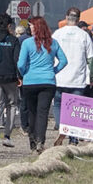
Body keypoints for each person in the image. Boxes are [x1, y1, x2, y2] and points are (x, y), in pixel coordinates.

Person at [15, 16, 67, 152]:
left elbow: (20, 64)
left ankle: (32, 140)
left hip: (30, 81)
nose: (30, 28)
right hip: (48, 81)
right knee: (42, 113)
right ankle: (40, 141)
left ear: (37, 28)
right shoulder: (53, 43)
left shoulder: (27, 43)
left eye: (32, 26)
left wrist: (24, 73)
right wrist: (53, 71)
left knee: (32, 112)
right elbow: (64, 61)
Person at [0, 12, 21, 149]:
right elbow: (17, 60)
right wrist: (19, 76)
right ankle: (7, 136)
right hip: (11, 77)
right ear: (9, 26)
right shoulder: (14, 40)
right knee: (12, 105)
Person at [51, 9, 92, 100]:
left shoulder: (57, 34)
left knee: (58, 105)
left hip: (59, 79)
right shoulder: (84, 35)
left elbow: (49, 55)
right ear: (78, 19)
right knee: (74, 110)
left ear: (66, 18)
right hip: (77, 80)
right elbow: (91, 58)